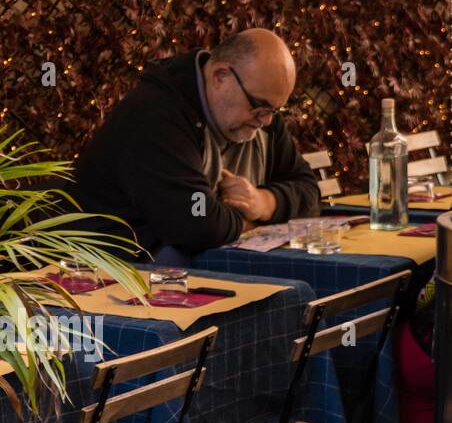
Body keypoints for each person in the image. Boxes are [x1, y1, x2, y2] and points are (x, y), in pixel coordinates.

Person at [71, 28, 321, 262]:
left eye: (274, 111)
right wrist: (251, 221)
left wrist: (262, 202)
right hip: (111, 276)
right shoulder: (157, 117)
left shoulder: (260, 114)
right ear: (220, 77)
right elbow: (198, 223)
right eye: (259, 106)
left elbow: (309, 192)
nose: (266, 121)